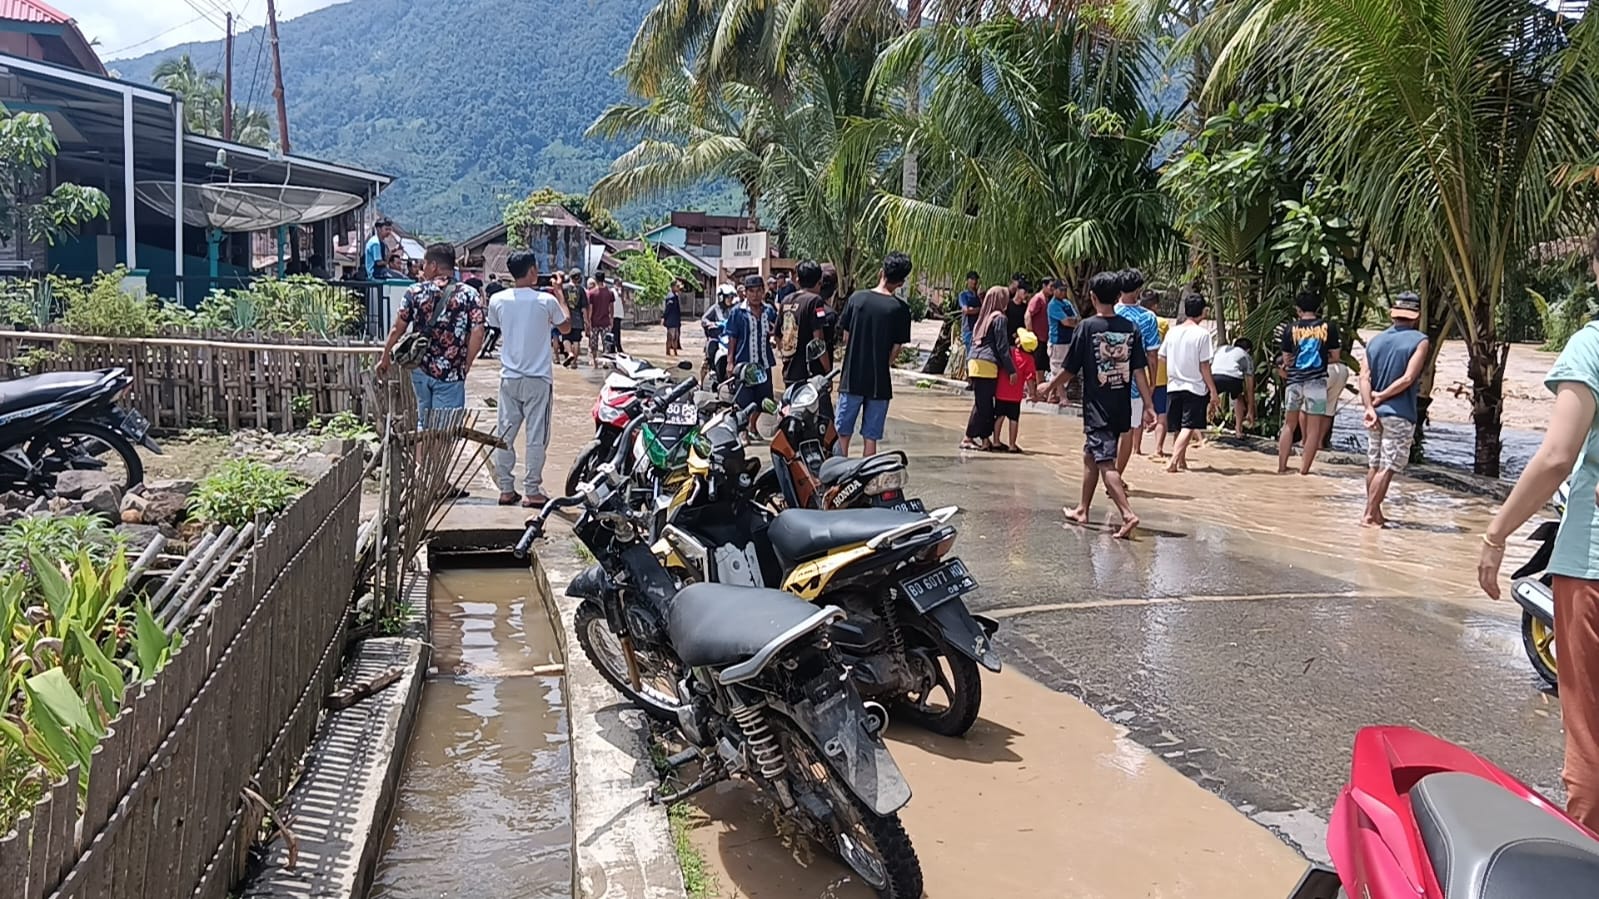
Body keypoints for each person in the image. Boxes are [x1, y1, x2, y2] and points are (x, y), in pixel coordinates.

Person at [1478, 232, 1599, 833]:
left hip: (1594, 568)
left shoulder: (1592, 344)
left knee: (1591, 740)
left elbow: (1556, 456)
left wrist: (1496, 534)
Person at [1043, 271, 1154, 539]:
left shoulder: (1087, 327)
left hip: (1098, 408)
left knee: (1105, 461)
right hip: (1121, 406)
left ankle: (1128, 515)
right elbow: (1139, 369)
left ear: (1092, 297)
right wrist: (1149, 405)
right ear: (1118, 297)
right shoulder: (1131, 329)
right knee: (1090, 454)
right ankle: (1083, 509)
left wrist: (1048, 386)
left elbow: (1069, 369)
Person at [488, 250, 569, 508]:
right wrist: (560, 293)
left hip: (509, 377)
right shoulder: (546, 301)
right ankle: (532, 490)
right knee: (536, 436)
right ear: (533, 270)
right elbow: (566, 326)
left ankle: (506, 488)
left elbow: (497, 326)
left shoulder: (497, 300)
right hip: (538, 378)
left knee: (505, 434)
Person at [377, 242, 485, 431]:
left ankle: (420, 461)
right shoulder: (469, 295)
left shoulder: (415, 292)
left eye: (424, 263)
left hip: (420, 368)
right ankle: (435, 460)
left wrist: (385, 357)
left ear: (434, 265)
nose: (422, 268)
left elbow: (397, 328)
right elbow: (478, 332)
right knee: (443, 430)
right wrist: (467, 363)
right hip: (451, 371)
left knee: (423, 422)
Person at [1358, 292, 1430, 527]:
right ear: (1416, 316)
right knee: (1388, 467)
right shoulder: (1420, 341)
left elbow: (1364, 377)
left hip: (1375, 413)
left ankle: (1375, 514)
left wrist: (1370, 405)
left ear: (1393, 313)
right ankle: (1369, 515)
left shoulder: (1375, 341)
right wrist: (1384, 395)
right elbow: (1409, 377)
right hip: (1399, 413)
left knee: (1374, 464)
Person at [836, 252, 915, 458]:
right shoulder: (901, 309)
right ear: (901, 282)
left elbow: (846, 337)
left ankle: (837, 478)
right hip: (879, 382)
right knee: (871, 437)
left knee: (843, 433)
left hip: (852, 377)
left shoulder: (857, 299)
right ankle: (868, 481)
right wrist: (883, 364)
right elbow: (897, 348)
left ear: (882, 272)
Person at [1277, 291, 1343, 475]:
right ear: (1318, 308)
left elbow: (1287, 359)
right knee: (1314, 429)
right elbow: (1336, 357)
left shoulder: (1290, 328)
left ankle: (1282, 467)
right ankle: (1303, 471)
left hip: (1294, 381)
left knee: (1289, 424)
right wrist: (1322, 360)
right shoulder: (1328, 327)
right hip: (1317, 382)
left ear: (1298, 310)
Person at [1159, 295, 1219, 473]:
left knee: (1178, 426)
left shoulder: (1173, 331)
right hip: (1194, 387)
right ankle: (1173, 461)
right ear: (1203, 312)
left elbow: (1162, 357)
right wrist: (1213, 391)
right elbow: (1204, 366)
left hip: (1173, 385)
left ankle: (1182, 461)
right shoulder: (1202, 334)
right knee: (1189, 426)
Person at [1112, 269, 1161, 473]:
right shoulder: (1148, 318)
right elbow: (1152, 355)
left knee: (1110, 430)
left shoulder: (1110, 312)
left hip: (1108, 380)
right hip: (1134, 384)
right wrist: (1152, 383)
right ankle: (1117, 475)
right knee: (1128, 430)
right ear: (1138, 290)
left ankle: (1107, 473)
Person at [964, 286, 1015, 452]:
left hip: (974, 363)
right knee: (984, 406)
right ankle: (969, 437)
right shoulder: (999, 318)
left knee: (982, 404)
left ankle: (985, 440)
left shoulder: (983, 317)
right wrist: (1011, 369)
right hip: (987, 365)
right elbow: (1002, 346)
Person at [724, 274, 779, 426]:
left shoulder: (769, 311)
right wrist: (730, 362)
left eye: (758, 291)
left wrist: (775, 335)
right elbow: (732, 338)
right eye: (752, 291)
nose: (755, 295)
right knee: (743, 400)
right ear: (745, 293)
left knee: (763, 400)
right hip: (744, 365)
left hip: (763, 364)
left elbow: (778, 331)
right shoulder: (737, 312)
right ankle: (743, 431)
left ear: (763, 292)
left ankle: (753, 427)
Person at [782, 260, 832, 387]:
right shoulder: (815, 301)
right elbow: (818, 341)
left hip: (789, 371)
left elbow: (778, 336)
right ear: (819, 280)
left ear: (798, 280)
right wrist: (828, 371)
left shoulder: (786, 301)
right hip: (810, 375)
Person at [993, 329, 1038, 453]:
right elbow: (1030, 379)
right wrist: (1032, 394)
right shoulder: (1029, 360)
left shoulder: (1009, 353)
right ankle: (1012, 445)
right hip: (1015, 396)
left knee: (999, 417)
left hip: (1001, 393)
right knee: (1014, 420)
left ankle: (996, 441)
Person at [1141, 293, 1173, 459]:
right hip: (1160, 373)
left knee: (1136, 413)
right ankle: (1158, 449)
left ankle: (1135, 449)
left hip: (1139, 373)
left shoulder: (1134, 319)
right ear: (1155, 305)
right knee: (1161, 413)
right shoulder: (1162, 323)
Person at [1212, 337, 1257, 437]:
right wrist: (1250, 411)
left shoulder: (1221, 349)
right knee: (1238, 397)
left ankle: (1198, 428)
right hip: (1233, 378)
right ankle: (1238, 429)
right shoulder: (1246, 356)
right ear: (1248, 350)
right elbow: (1250, 389)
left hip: (1215, 376)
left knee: (1206, 396)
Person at [1025, 282, 1056, 400]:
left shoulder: (1048, 300)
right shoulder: (1038, 298)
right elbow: (1028, 315)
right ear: (1044, 285)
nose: (1052, 289)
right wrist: (1030, 333)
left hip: (1045, 338)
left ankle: (1041, 392)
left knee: (1042, 365)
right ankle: (1039, 392)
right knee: (1038, 366)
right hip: (1038, 338)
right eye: (1050, 286)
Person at [1046, 283, 1079, 388]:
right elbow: (1066, 322)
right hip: (1058, 342)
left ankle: (1052, 395)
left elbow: (1077, 318)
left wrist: (1073, 321)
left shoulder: (1067, 303)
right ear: (1054, 290)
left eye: (1065, 290)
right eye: (1060, 290)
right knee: (1057, 370)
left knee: (1066, 369)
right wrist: (1072, 321)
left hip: (1069, 340)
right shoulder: (1053, 305)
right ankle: (1062, 397)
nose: (1063, 293)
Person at [702, 283, 735, 378]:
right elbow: (704, 319)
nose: (730, 299)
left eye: (732, 297)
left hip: (730, 337)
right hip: (717, 337)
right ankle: (707, 373)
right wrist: (710, 324)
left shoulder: (734, 309)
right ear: (721, 297)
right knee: (711, 346)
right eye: (728, 297)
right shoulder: (715, 308)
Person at [586, 272, 616, 364]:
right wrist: (612, 320)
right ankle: (605, 363)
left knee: (594, 344)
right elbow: (611, 308)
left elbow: (590, 309)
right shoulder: (610, 293)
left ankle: (595, 362)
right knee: (606, 344)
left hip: (594, 322)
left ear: (596, 279)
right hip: (606, 322)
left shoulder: (591, 293)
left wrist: (588, 322)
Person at [958, 272, 982, 352]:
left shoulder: (979, 296)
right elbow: (966, 310)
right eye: (971, 279)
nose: (974, 281)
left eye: (975, 279)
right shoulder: (963, 295)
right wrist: (978, 310)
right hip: (968, 329)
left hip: (979, 330)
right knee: (970, 353)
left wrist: (974, 309)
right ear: (967, 281)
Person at [663, 279, 686, 357]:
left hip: (675, 321)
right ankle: (668, 353)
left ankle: (675, 353)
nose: (679, 288)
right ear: (673, 287)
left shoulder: (674, 296)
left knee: (675, 337)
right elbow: (667, 309)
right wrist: (664, 318)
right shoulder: (671, 297)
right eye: (677, 286)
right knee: (670, 338)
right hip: (671, 321)